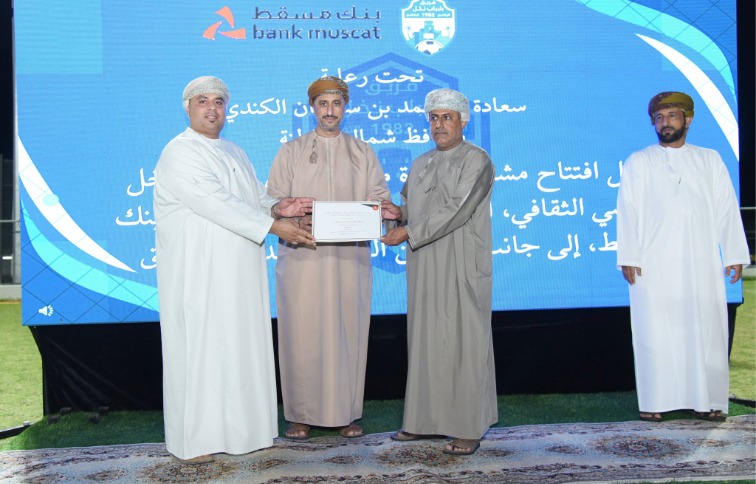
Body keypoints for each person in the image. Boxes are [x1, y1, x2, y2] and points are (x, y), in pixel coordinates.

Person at [154, 76, 315, 462]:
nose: (212, 109)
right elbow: (215, 202)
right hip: (200, 275)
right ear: (188, 108)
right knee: (202, 351)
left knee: (239, 348)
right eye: (203, 101)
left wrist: (278, 206)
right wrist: (275, 226)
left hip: (239, 273)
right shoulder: (179, 152)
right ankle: (193, 442)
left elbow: (253, 196)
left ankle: (246, 434)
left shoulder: (233, 150)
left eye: (219, 102)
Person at [267, 76, 391, 440]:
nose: (330, 111)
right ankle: (299, 414)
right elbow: (273, 200)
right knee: (301, 333)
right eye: (323, 104)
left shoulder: (362, 151)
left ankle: (346, 413)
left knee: (347, 331)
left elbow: (379, 198)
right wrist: (291, 217)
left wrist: (381, 211)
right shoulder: (291, 151)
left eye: (336, 104)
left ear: (345, 107)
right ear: (313, 108)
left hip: (349, 260)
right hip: (303, 256)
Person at [616, 91, 750, 423]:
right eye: (659, 118)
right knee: (655, 332)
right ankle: (655, 401)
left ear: (687, 119)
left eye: (672, 116)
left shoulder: (710, 160)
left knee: (704, 330)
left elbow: (726, 208)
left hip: (700, 263)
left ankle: (708, 400)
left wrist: (733, 253)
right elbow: (627, 211)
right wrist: (629, 255)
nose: (665, 123)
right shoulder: (639, 161)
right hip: (652, 264)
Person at [381, 88, 497, 456]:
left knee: (464, 343)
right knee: (426, 341)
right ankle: (421, 421)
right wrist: (395, 215)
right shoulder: (421, 163)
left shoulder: (477, 160)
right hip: (424, 263)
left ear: (463, 122)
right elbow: (410, 208)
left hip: (461, 262)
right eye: (433, 118)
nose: (439, 124)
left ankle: (468, 428)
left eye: (447, 117)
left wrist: (408, 231)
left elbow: (457, 209)